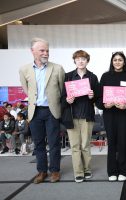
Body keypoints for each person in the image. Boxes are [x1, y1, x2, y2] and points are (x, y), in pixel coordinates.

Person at [19, 38, 65, 184]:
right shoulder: (24, 69)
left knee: (54, 143)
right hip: (35, 112)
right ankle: (42, 171)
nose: (46, 53)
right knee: (38, 144)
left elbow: (62, 90)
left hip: (52, 111)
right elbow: (27, 89)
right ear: (32, 51)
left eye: (47, 51)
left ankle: (55, 171)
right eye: (42, 50)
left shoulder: (57, 68)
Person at [96, 52, 126, 182]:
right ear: (112, 62)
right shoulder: (105, 76)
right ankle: (112, 171)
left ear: (124, 62)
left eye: (120, 60)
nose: (118, 62)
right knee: (112, 142)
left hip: (123, 114)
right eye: (115, 60)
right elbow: (98, 98)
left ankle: (124, 171)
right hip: (109, 114)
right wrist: (104, 104)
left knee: (123, 141)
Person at [61, 50, 99, 183]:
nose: (81, 61)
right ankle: (78, 172)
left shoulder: (93, 77)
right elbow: (62, 98)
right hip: (72, 116)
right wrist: (67, 100)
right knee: (75, 146)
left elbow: (98, 98)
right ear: (75, 61)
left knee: (85, 145)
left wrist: (92, 97)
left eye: (83, 59)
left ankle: (87, 169)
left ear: (87, 61)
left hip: (87, 116)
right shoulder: (68, 76)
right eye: (78, 59)